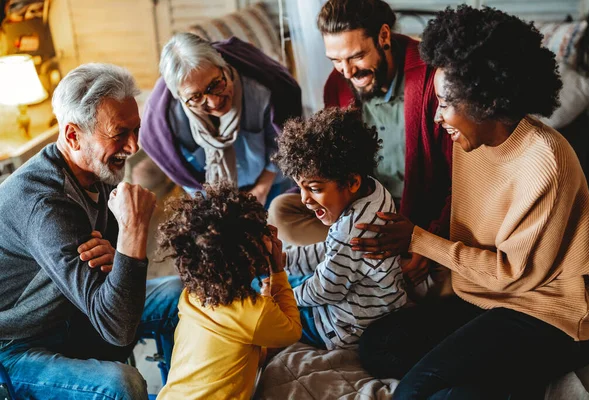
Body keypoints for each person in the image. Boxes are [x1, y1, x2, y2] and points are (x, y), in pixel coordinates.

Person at [351, 6, 589, 399]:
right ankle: (506, 376)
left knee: (414, 391)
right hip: (488, 298)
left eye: (446, 103)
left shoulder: (544, 161)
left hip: (553, 312)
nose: (437, 117)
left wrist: (419, 240)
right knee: (378, 345)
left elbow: (511, 274)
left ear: (486, 102)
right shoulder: (469, 142)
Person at [0, 63, 181, 399]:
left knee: (176, 293)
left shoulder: (94, 172)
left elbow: (112, 279)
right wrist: (134, 231)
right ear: (73, 136)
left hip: (71, 313)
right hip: (18, 344)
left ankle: (184, 393)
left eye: (135, 130)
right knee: (121, 385)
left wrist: (119, 256)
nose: (134, 145)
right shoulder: (45, 205)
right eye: (120, 133)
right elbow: (117, 328)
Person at [267, 0, 453, 291]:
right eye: (335, 60)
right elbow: (333, 167)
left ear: (383, 36)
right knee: (281, 211)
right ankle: (362, 261)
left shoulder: (432, 78)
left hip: (423, 222)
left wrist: (426, 241)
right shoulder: (337, 85)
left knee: (453, 285)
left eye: (356, 56)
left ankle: (362, 265)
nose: (346, 71)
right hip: (363, 215)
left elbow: (461, 181)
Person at [270, 107, 427, 350]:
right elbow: (332, 251)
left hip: (341, 327)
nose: (304, 199)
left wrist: (285, 298)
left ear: (352, 182)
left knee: (267, 294)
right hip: (379, 303)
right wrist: (286, 259)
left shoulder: (350, 231)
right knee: (286, 276)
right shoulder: (375, 191)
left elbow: (326, 288)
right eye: (300, 187)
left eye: (314, 188)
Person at [155, 183, 301, 399]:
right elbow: (293, 330)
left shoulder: (193, 295)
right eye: (263, 231)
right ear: (250, 254)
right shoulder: (256, 313)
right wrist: (277, 270)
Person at [140, 32, 302, 207]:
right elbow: (187, 175)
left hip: (272, 181)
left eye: (215, 84)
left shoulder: (259, 91)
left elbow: (279, 145)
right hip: (213, 195)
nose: (214, 102)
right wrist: (221, 208)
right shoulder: (170, 123)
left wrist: (261, 190)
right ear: (178, 96)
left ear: (222, 64)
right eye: (196, 97)